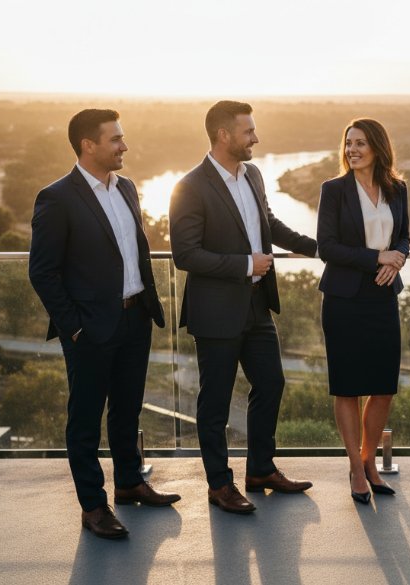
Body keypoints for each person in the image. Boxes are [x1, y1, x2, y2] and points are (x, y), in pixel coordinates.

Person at [29, 109, 179, 540]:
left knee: (128, 409)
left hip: (135, 320)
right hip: (90, 330)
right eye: (115, 139)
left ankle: (130, 483)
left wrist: (147, 308)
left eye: (122, 137)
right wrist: (74, 328)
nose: (124, 146)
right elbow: (42, 271)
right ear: (87, 145)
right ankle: (93, 506)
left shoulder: (127, 188)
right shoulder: (56, 197)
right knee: (85, 420)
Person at [169, 100, 318, 515]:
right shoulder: (189, 186)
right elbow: (185, 254)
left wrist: (323, 247)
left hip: (257, 305)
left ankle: (260, 470)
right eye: (248, 131)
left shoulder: (252, 174)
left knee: (271, 384)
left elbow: (269, 224)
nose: (256, 137)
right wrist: (243, 265)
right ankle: (220, 485)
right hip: (215, 311)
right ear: (223, 135)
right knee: (215, 402)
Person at [317, 118, 409, 504]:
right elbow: (328, 247)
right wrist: (376, 258)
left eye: (360, 143)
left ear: (377, 148)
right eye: (348, 143)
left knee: (383, 387)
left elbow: (403, 234)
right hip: (344, 300)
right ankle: (356, 467)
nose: (352, 150)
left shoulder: (397, 188)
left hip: (383, 297)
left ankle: (370, 460)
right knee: (348, 386)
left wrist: (399, 257)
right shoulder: (334, 190)